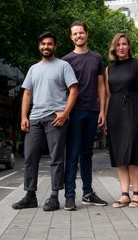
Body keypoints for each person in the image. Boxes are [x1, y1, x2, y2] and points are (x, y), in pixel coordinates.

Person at [12, 31, 78, 212]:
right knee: (30, 157)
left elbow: (74, 90)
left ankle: (55, 197)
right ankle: (30, 196)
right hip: (35, 119)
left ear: (55, 46)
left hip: (55, 119)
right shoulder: (33, 69)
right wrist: (24, 116)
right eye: (43, 44)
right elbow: (27, 93)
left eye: (49, 44)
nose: (46, 47)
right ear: (39, 46)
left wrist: (65, 114)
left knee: (56, 158)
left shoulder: (63, 66)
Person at [62, 21, 107, 211]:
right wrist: (62, 112)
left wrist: (103, 110)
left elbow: (101, 86)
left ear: (87, 34)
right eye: (75, 34)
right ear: (71, 37)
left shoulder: (96, 58)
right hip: (73, 112)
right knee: (72, 155)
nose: (79, 36)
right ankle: (70, 196)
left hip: (92, 111)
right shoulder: (65, 61)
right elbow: (61, 89)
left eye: (81, 33)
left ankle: (88, 193)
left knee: (87, 154)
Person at [104, 33, 138, 208]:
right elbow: (108, 95)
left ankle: (137, 194)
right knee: (119, 154)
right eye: (118, 45)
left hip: (133, 109)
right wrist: (105, 117)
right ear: (114, 48)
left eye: (124, 44)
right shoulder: (109, 69)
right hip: (114, 112)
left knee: (132, 152)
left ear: (129, 46)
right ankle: (124, 194)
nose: (121, 47)